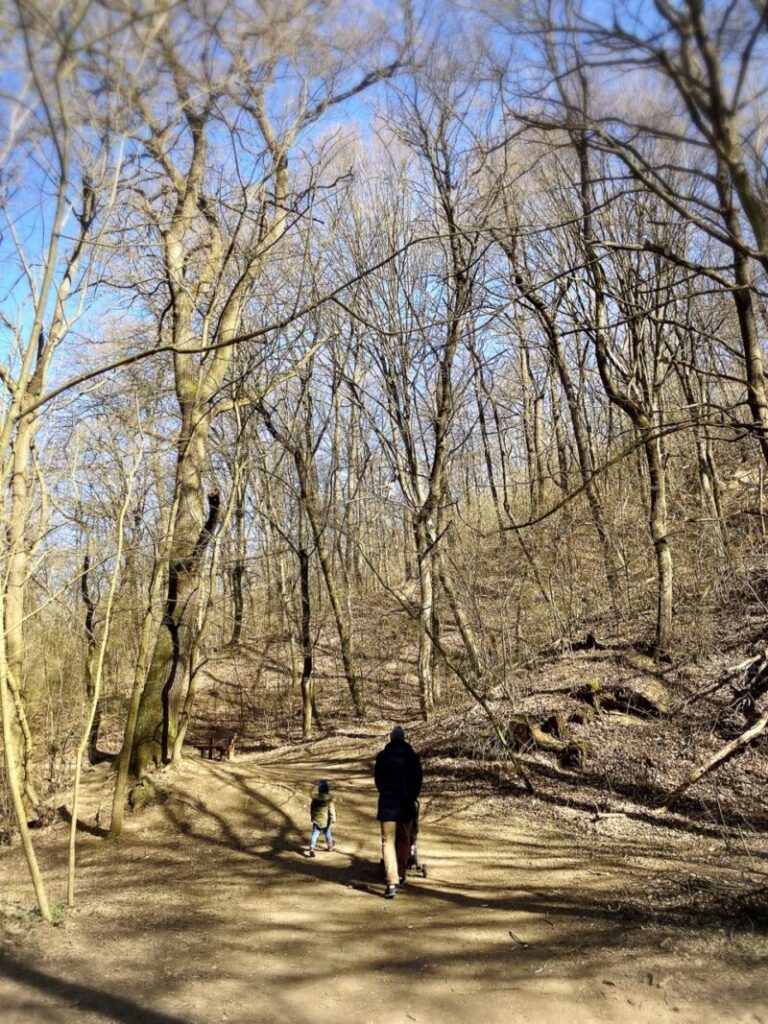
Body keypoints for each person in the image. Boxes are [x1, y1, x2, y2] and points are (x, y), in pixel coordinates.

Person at [374, 726, 422, 899]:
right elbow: (418, 781)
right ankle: (401, 874)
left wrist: (386, 793)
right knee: (404, 839)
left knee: (388, 842)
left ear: (391, 738)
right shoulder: (413, 758)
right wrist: (411, 797)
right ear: (404, 738)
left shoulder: (382, 757)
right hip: (406, 805)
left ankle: (391, 882)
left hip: (387, 804)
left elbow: (378, 781)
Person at [306, 779, 336, 857]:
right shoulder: (329, 800)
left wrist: (312, 817)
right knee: (327, 833)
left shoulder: (315, 799)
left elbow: (312, 808)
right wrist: (333, 819)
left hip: (316, 820)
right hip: (326, 821)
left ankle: (312, 847)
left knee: (314, 834)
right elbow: (331, 810)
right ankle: (330, 846)